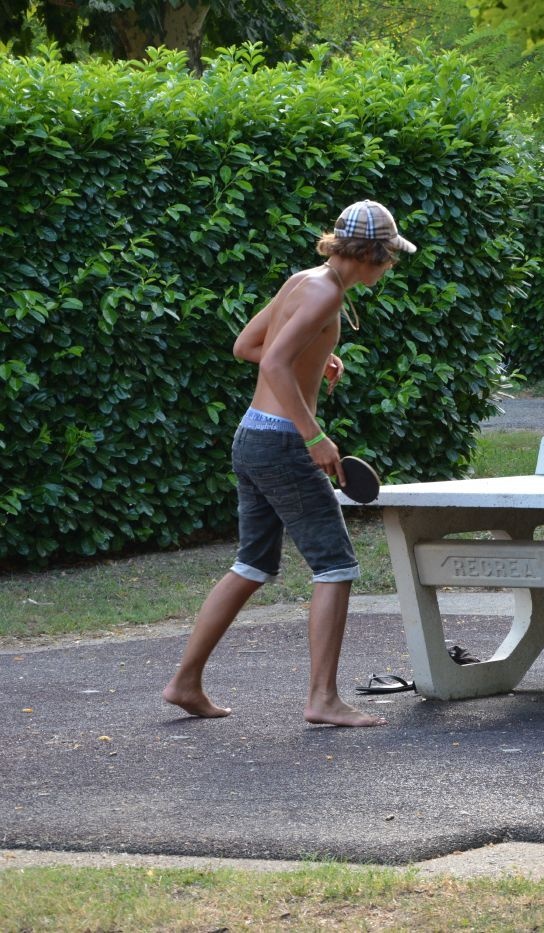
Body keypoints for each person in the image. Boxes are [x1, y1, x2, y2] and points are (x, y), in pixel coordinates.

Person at [163, 200, 417, 727]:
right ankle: (322, 699)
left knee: (251, 563)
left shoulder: (305, 279)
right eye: (388, 257)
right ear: (369, 253)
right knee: (337, 565)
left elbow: (247, 346)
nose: (389, 266)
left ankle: (185, 682)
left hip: (251, 435)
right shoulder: (326, 294)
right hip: (282, 444)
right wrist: (315, 436)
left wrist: (314, 356)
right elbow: (273, 359)